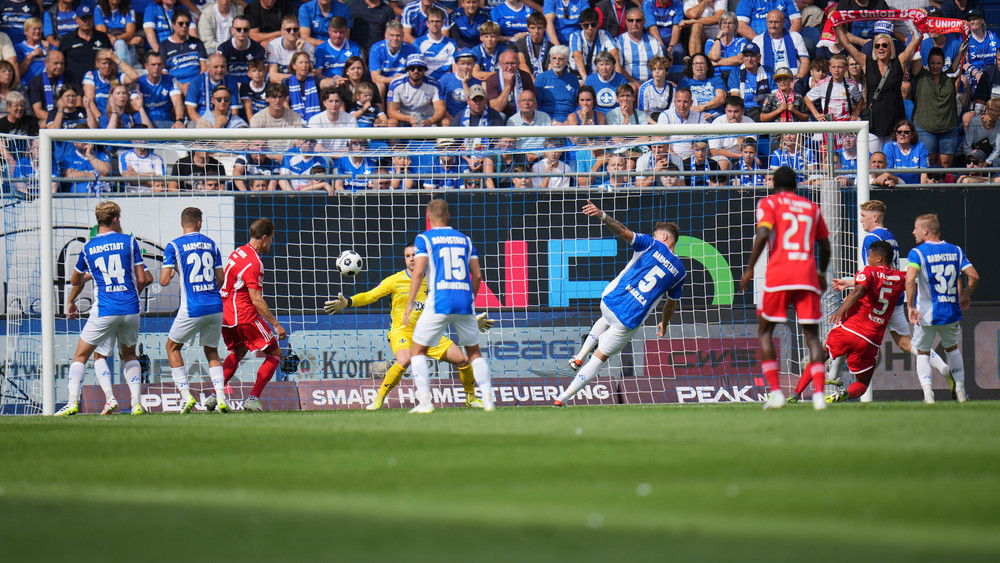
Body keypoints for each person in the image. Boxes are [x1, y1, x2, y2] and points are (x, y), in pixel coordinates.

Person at [324, 244, 495, 410]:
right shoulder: (395, 280)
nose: (412, 258)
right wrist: (347, 302)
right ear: (405, 259)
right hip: (402, 331)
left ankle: (471, 398)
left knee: (463, 360)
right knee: (404, 360)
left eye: (415, 255)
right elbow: (370, 296)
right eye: (408, 256)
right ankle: (378, 401)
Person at [559, 201, 685, 405]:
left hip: (610, 301)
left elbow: (623, 231)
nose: (653, 237)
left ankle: (580, 355)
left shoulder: (652, 244)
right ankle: (562, 399)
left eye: (655, 234)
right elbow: (671, 304)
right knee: (599, 359)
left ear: (662, 237)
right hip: (628, 319)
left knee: (605, 317)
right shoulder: (680, 271)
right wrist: (665, 323)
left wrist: (602, 215)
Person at [827, 200, 951, 402]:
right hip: (894, 296)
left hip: (875, 300)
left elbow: (871, 273)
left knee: (846, 327)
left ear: (875, 217)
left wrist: (851, 283)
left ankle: (833, 375)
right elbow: (888, 270)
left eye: (864, 216)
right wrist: (850, 282)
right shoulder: (890, 237)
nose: (861, 220)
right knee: (905, 342)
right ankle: (943, 367)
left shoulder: (871, 238)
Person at [740, 165, 831, 411]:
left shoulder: (769, 203)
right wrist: (822, 273)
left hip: (780, 274)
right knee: (812, 337)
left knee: (766, 331)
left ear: (773, 184)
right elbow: (824, 245)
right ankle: (820, 396)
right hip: (807, 275)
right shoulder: (812, 207)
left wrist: (749, 268)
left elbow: (762, 234)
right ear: (797, 185)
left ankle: (777, 393)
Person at [402, 199, 495, 413]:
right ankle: (488, 401)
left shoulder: (425, 238)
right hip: (464, 300)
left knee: (417, 351)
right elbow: (478, 275)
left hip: (440, 300)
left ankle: (425, 402)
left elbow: (418, 272)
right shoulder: (465, 239)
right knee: (474, 352)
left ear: (428, 217)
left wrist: (409, 305)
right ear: (448, 216)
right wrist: (469, 299)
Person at [56, 201, 147, 416]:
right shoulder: (129, 241)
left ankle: (72, 403)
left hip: (105, 309)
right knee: (129, 355)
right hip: (130, 307)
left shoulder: (89, 248)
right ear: (115, 219)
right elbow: (142, 278)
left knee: (81, 356)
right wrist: (132, 298)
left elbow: (74, 279)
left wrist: (89, 275)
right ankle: (136, 403)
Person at [159, 207, 228, 414]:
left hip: (192, 307)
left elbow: (163, 281)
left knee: (172, 347)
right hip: (215, 305)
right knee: (212, 350)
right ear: (199, 223)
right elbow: (221, 278)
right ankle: (222, 399)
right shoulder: (211, 244)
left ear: (182, 224)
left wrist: (170, 274)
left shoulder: (174, 245)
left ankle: (185, 396)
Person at [906, 214, 979, 404]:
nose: (913, 232)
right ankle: (961, 391)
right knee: (952, 350)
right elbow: (974, 277)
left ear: (926, 230)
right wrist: (965, 296)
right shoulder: (956, 250)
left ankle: (928, 394)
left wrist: (911, 306)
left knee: (922, 352)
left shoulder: (917, 252)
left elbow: (910, 279)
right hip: (950, 312)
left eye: (916, 228)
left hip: (926, 314)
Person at [216, 217, 287, 412]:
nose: (271, 243)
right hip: (244, 315)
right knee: (274, 353)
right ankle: (252, 398)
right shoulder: (254, 263)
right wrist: (275, 324)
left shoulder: (238, 252)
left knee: (238, 352)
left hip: (225, 314)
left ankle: (215, 396)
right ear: (264, 238)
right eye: (271, 239)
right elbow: (256, 300)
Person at [820, 241, 905, 404]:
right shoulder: (900, 277)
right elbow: (911, 279)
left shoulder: (869, 270)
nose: (867, 258)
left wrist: (842, 308)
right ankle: (837, 384)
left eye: (870, 255)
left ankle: (803, 389)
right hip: (874, 336)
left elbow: (861, 290)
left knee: (831, 348)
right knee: (863, 384)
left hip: (858, 326)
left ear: (878, 258)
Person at [835, 21, 921, 150]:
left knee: (891, 165)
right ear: (874, 48)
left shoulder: (899, 62)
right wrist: (837, 26)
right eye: (877, 46)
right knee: (874, 162)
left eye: (884, 45)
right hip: (874, 123)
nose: (881, 48)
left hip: (895, 122)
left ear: (890, 47)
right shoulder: (866, 62)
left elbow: (914, 42)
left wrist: (918, 21)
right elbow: (847, 45)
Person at [911, 44, 966, 169]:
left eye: (938, 63)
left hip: (948, 129)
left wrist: (962, 49)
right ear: (928, 63)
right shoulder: (921, 76)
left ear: (943, 64)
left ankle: (944, 189)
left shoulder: (950, 77)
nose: (935, 66)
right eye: (932, 63)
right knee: (927, 164)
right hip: (924, 128)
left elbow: (959, 60)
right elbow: (915, 63)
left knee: (945, 164)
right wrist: (919, 40)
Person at [387, 53, 447, 127]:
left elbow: (440, 109)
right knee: (392, 122)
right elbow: (391, 111)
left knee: (445, 121)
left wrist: (431, 120)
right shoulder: (396, 84)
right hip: (404, 118)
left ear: (424, 70)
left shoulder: (434, 84)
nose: (416, 71)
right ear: (408, 70)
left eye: (419, 68)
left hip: (427, 118)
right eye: (412, 68)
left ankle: (443, 139)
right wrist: (410, 119)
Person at [616, 8, 663, 86]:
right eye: (631, 20)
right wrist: (635, 83)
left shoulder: (654, 42)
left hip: (652, 83)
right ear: (626, 22)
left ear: (644, 22)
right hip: (628, 84)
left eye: (638, 20)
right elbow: (619, 68)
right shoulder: (619, 42)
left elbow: (662, 65)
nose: (634, 23)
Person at [569, 8, 618, 80]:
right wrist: (586, 80)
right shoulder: (575, 36)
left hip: (599, 76)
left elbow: (614, 54)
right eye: (586, 25)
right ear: (581, 26)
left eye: (593, 25)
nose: (590, 28)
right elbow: (577, 56)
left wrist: (617, 78)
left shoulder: (604, 34)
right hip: (579, 77)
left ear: (598, 24)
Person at [533, 45, 578, 123]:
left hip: (570, 120)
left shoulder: (573, 79)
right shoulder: (541, 78)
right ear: (550, 60)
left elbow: (579, 103)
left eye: (560, 59)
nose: (557, 62)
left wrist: (571, 119)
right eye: (554, 58)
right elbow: (537, 105)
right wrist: (552, 121)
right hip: (546, 120)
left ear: (567, 61)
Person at [217, 16, 266, 85]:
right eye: (238, 29)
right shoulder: (223, 49)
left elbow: (263, 73)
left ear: (249, 31)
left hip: (251, 88)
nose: (242, 32)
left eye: (245, 29)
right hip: (230, 87)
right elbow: (219, 73)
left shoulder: (258, 49)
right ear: (232, 30)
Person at [881, 119, 928, 185]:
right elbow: (888, 172)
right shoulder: (889, 147)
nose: (902, 134)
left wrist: (922, 191)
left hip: (915, 188)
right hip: (895, 187)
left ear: (912, 135)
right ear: (896, 134)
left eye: (906, 132)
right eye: (899, 132)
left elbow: (924, 172)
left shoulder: (920, 147)